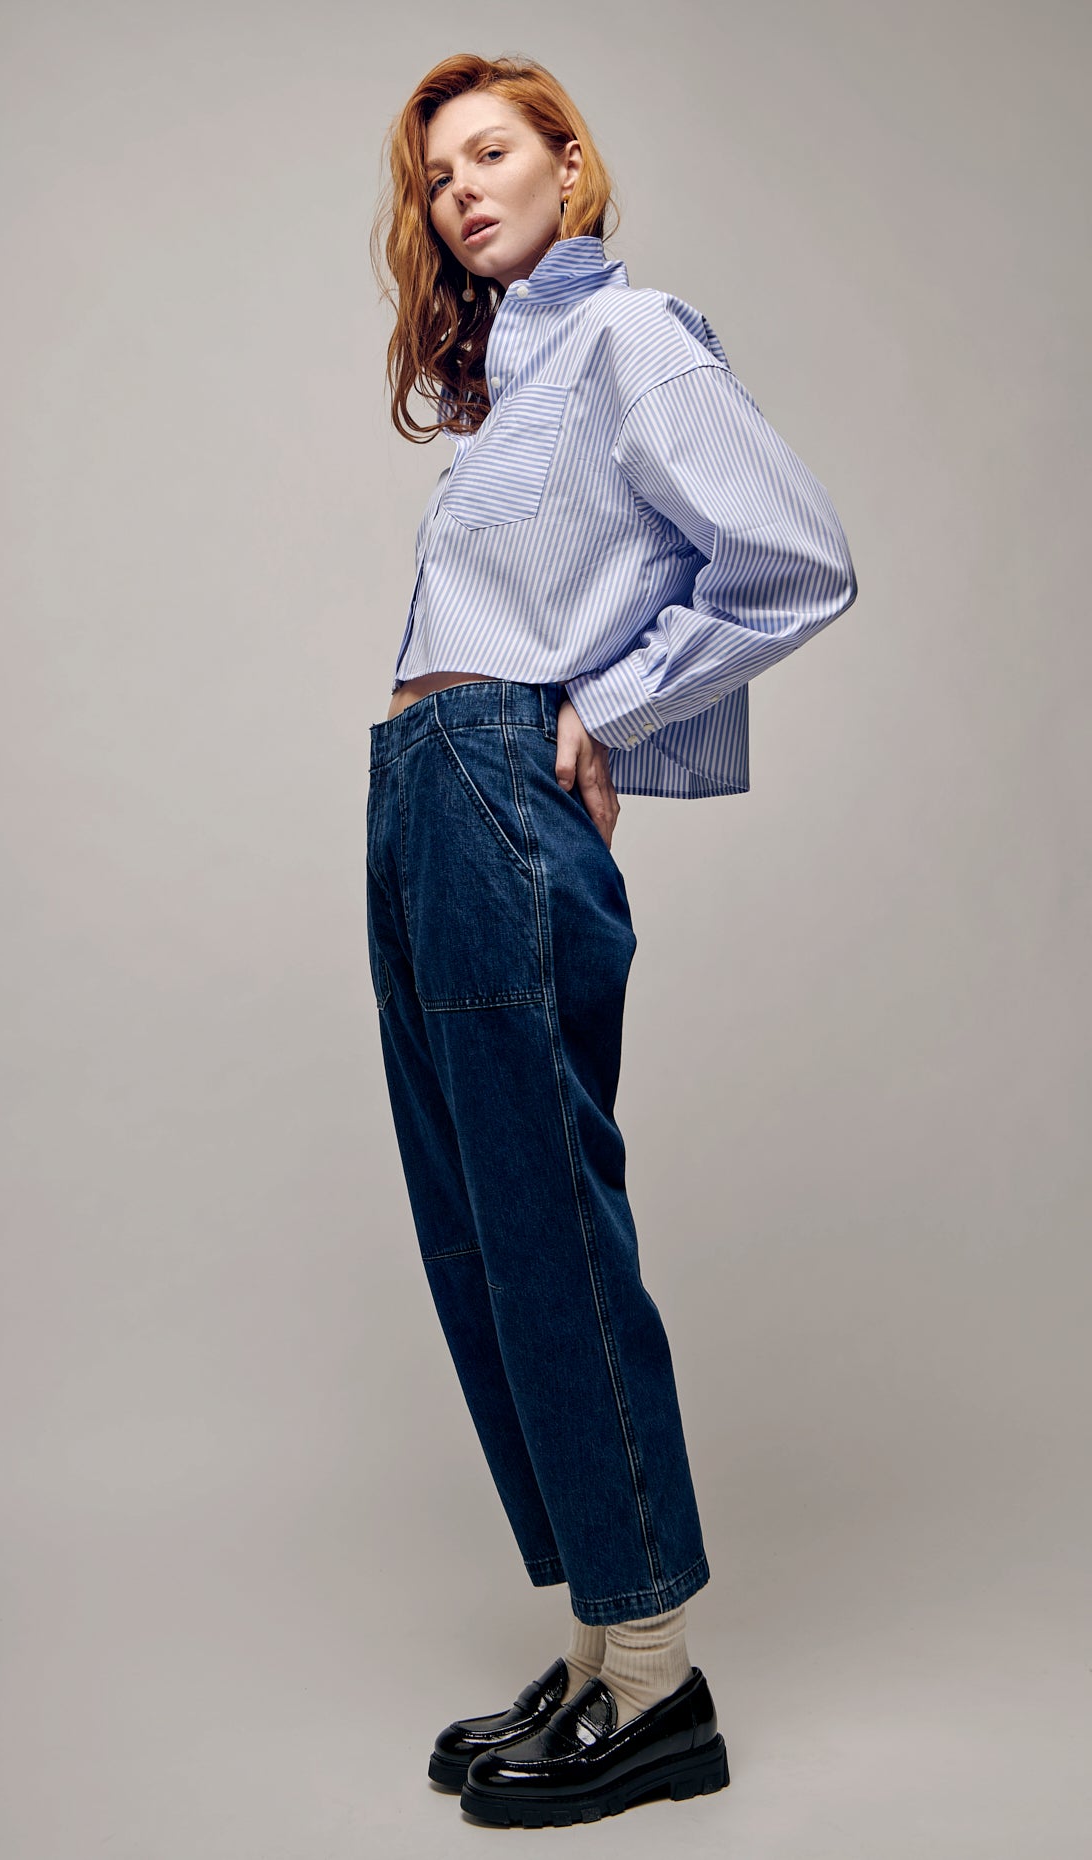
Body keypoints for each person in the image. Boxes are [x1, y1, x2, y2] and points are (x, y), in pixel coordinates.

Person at [365, 52, 857, 1828]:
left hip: (495, 782)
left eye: (493, 154)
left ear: (574, 166)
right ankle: (599, 1643)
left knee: (548, 1225)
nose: (461, 192)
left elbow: (791, 559)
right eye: (436, 176)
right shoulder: (518, 387)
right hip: (428, 791)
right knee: (482, 1229)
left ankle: (654, 1677)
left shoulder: (634, 336)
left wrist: (617, 711)